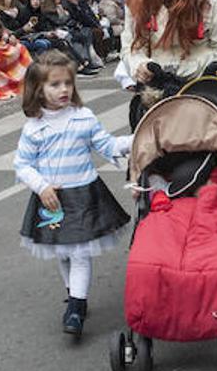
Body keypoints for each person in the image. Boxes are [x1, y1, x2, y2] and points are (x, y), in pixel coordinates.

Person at [14, 51, 131, 336]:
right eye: (55, 84)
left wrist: (137, 139)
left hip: (85, 196)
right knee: (63, 253)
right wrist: (41, 186)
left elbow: (107, 145)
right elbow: (22, 164)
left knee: (79, 254)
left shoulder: (83, 117)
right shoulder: (34, 128)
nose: (64, 89)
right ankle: (72, 292)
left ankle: (77, 306)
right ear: (38, 88)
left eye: (68, 83)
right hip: (53, 199)